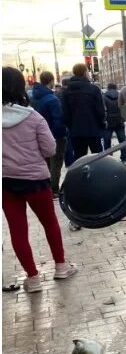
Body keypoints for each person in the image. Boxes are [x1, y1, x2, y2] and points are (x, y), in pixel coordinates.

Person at [2, 67, 77, 293]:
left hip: (6, 182)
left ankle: (32, 278)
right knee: (50, 223)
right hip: (35, 180)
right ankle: (61, 267)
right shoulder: (33, 117)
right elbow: (50, 148)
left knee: (17, 230)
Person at [29, 71, 67, 193]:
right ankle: (54, 188)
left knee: (45, 162)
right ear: (51, 81)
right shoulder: (52, 99)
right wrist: (62, 134)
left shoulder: (33, 98)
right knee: (56, 162)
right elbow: (58, 120)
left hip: (38, 135)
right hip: (54, 135)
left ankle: (45, 187)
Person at [60, 62, 105, 162]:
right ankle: (97, 177)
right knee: (98, 158)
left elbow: (65, 113)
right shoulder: (94, 89)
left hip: (76, 131)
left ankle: (81, 177)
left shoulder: (66, 91)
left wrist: (71, 127)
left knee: (79, 159)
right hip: (93, 130)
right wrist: (101, 124)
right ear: (85, 73)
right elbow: (100, 111)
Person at [101, 83, 126, 162]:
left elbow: (102, 110)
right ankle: (124, 157)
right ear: (116, 88)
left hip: (108, 121)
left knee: (107, 141)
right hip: (119, 120)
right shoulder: (120, 96)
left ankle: (108, 159)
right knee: (122, 140)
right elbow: (124, 108)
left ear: (108, 88)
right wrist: (123, 119)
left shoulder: (104, 97)